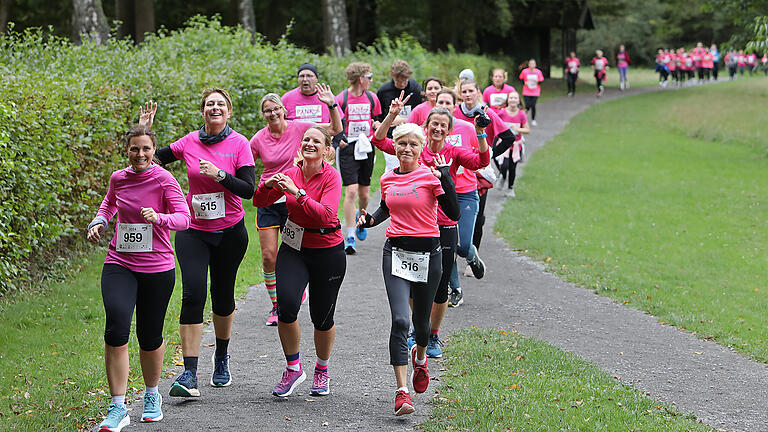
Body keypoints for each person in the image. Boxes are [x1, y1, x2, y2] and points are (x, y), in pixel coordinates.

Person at [147, 88, 256, 398]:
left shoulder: (239, 144)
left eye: (220, 104)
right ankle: (189, 372)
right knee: (193, 293)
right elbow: (151, 159)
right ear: (203, 111)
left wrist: (221, 175)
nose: (215, 108)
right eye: (209, 104)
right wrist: (147, 130)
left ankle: (221, 357)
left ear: (229, 112)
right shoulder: (189, 141)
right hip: (193, 230)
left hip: (230, 233)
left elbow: (248, 190)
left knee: (222, 297)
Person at [88, 123, 191, 431]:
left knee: (149, 336)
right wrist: (100, 221)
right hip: (119, 263)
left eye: (146, 148)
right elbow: (109, 203)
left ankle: (151, 395)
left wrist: (159, 218)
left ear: (152, 150)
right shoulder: (118, 177)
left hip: (157, 268)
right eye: (135, 148)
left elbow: (184, 218)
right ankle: (118, 406)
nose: (141, 154)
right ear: (127, 150)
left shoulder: (164, 179)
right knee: (117, 328)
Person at [373, 93, 491, 359]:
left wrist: (480, 133)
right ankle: (419, 327)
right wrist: (391, 116)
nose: (437, 129)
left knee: (439, 288)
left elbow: (481, 162)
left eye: (443, 125)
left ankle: (433, 335)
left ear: (449, 131)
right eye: (433, 124)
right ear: (427, 128)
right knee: (413, 282)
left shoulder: (455, 152)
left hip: (443, 224)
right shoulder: (414, 147)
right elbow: (379, 140)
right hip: (414, 228)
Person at [358, 121, 459, 416]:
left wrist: (447, 178)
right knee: (401, 321)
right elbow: (386, 209)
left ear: (421, 147)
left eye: (413, 144)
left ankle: (422, 357)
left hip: (429, 253)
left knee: (421, 323)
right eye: (402, 143)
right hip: (396, 253)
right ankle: (402, 392)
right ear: (396, 145)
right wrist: (370, 221)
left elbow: (452, 213)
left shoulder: (431, 176)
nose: (407, 149)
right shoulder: (388, 178)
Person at [253, 126, 346, 398]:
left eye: (316, 141)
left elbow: (327, 216)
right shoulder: (291, 173)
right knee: (287, 306)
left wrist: (299, 193)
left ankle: (322, 369)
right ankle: (293, 368)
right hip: (294, 248)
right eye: (306, 139)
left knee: (322, 316)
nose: (309, 143)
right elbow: (259, 200)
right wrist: (268, 185)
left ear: (327, 149)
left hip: (328, 251)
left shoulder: (331, 177)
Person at [250, 88, 342, 326]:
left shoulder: (301, 128)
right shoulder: (258, 139)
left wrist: (332, 106)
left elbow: (333, 130)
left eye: (276, 108)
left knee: (320, 314)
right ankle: (277, 304)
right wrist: (261, 184)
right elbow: (245, 165)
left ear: (284, 110)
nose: (272, 113)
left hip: (298, 193)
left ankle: (293, 290)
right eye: (267, 110)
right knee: (269, 256)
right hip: (276, 191)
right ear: (263, 114)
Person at [450, 81, 517, 305]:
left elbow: (508, 137)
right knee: (447, 242)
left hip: (476, 178)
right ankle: (455, 288)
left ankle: (471, 256)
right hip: (446, 187)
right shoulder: (443, 120)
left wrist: (488, 154)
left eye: (471, 91)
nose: (468, 95)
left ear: (478, 93)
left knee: (473, 224)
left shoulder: (483, 115)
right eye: (464, 91)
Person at [334, 62, 383, 255]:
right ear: (360, 78)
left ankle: (359, 218)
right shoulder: (342, 98)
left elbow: (377, 119)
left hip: (367, 147)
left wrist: (378, 126)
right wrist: (340, 140)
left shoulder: (372, 98)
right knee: (351, 192)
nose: (370, 80)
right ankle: (350, 236)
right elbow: (335, 122)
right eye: (369, 77)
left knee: (364, 195)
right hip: (348, 149)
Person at [376, 60, 423, 171]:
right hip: (391, 136)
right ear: (392, 76)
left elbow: (422, 115)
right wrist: (378, 123)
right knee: (393, 168)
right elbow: (378, 114)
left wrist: (402, 120)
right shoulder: (383, 91)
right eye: (398, 81)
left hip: (413, 136)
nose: (402, 84)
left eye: (404, 81)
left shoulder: (416, 89)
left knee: (412, 167)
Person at [495, 92, 529, 197]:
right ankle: (503, 176)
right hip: (504, 145)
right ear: (508, 100)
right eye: (511, 98)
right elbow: (494, 124)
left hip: (516, 146)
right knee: (504, 166)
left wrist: (517, 129)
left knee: (513, 167)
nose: (513, 100)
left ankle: (510, 188)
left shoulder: (521, 114)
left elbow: (527, 130)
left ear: (518, 101)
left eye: (515, 98)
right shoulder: (502, 113)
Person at [518, 59, 544, 126]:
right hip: (526, 91)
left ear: (535, 65)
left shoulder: (538, 72)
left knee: (533, 105)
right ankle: (522, 118)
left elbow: (541, 80)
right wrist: (524, 82)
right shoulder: (525, 71)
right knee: (527, 106)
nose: (532, 65)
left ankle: (533, 120)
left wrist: (538, 81)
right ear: (529, 65)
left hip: (535, 91)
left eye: (533, 64)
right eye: (531, 64)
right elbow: (520, 78)